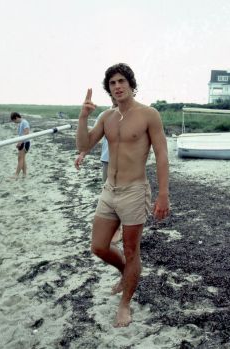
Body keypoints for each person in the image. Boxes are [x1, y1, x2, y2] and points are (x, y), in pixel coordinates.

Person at [76, 63, 170, 327]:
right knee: (99, 246)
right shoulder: (106, 117)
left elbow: (162, 155)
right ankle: (125, 273)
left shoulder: (148, 114)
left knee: (131, 251)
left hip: (134, 191)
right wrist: (83, 117)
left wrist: (163, 194)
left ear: (130, 83)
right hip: (109, 190)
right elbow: (84, 145)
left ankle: (125, 304)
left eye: (121, 81)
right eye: (112, 84)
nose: (117, 87)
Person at [75, 101, 122, 243]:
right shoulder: (104, 115)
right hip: (107, 161)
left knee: (123, 197)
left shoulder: (134, 113)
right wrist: (82, 154)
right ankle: (116, 229)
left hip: (127, 164)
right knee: (109, 196)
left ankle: (121, 227)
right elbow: (93, 138)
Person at [10, 112, 30, 179]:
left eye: (14, 121)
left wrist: (20, 142)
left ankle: (16, 175)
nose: (14, 122)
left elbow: (27, 132)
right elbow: (21, 134)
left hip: (25, 142)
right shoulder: (21, 123)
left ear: (16, 118)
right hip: (22, 142)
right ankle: (24, 174)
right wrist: (18, 142)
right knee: (22, 159)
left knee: (20, 159)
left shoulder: (24, 122)